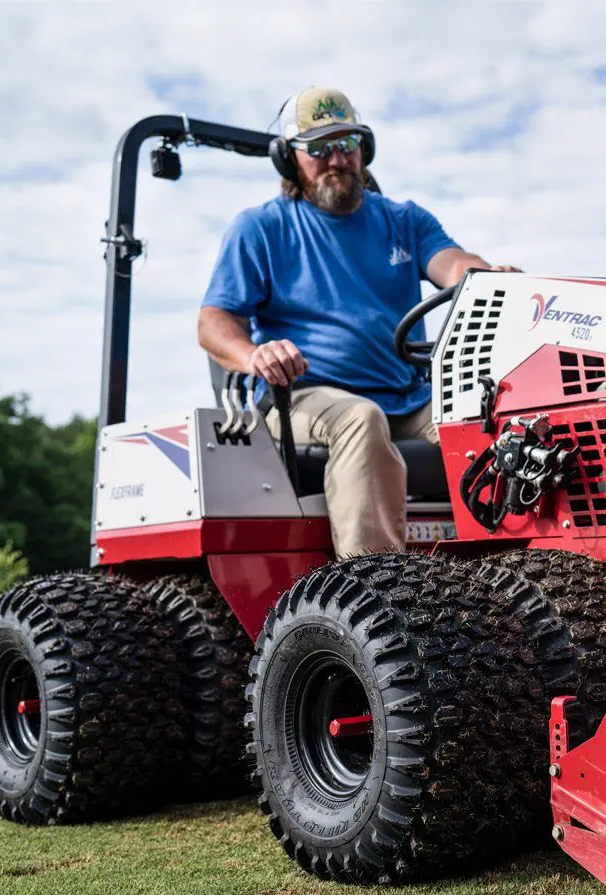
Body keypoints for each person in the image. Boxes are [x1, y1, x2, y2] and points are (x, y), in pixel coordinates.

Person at [198, 86, 516, 556]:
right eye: (319, 148)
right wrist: (255, 354)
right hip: (306, 395)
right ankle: (375, 589)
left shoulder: (404, 220)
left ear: (364, 150)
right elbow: (213, 322)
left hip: (411, 398)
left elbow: (451, 265)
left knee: (499, 419)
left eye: (347, 144)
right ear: (289, 160)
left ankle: (520, 574)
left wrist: (486, 275)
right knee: (360, 419)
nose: (336, 158)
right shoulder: (262, 229)